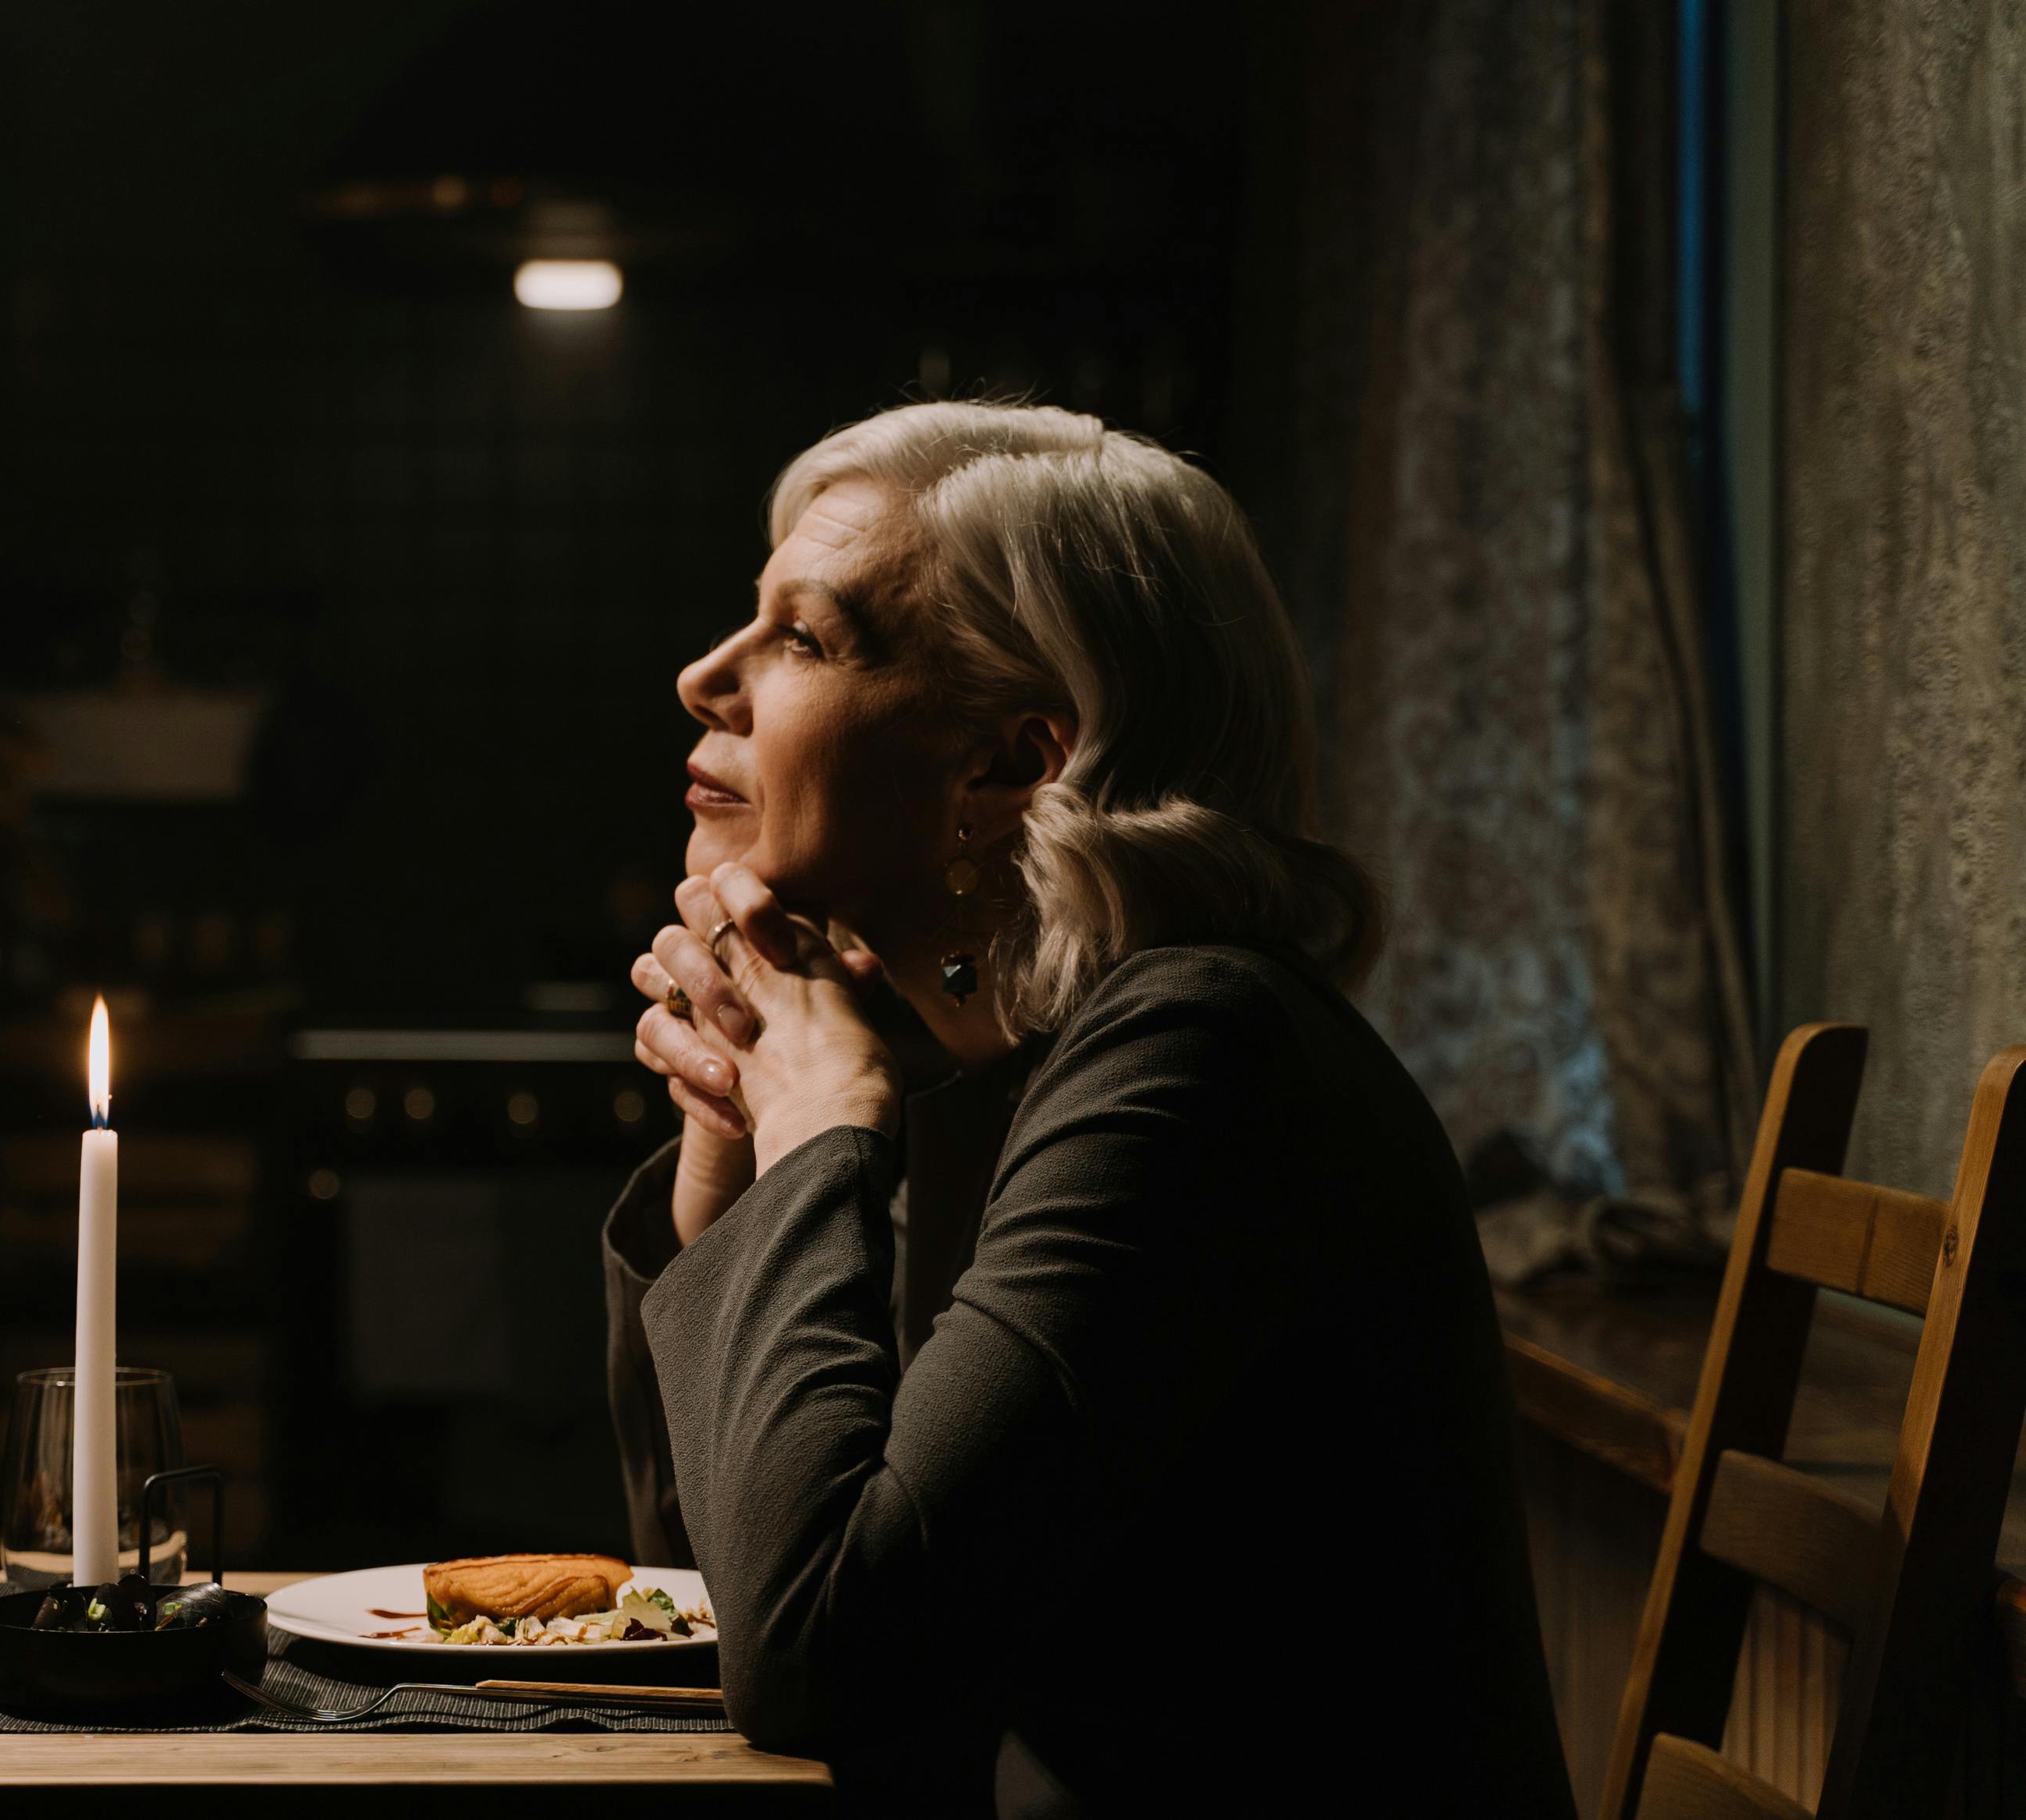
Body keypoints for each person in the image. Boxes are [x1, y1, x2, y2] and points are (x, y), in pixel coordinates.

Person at [604, 403, 1574, 1816]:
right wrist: (735, 1164)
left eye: (803, 637)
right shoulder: (1003, 1064)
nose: (705, 676)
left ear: (1005, 764)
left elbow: (835, 1659)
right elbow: (718, 1591)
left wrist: (817, 1120)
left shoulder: (1197, 1057)